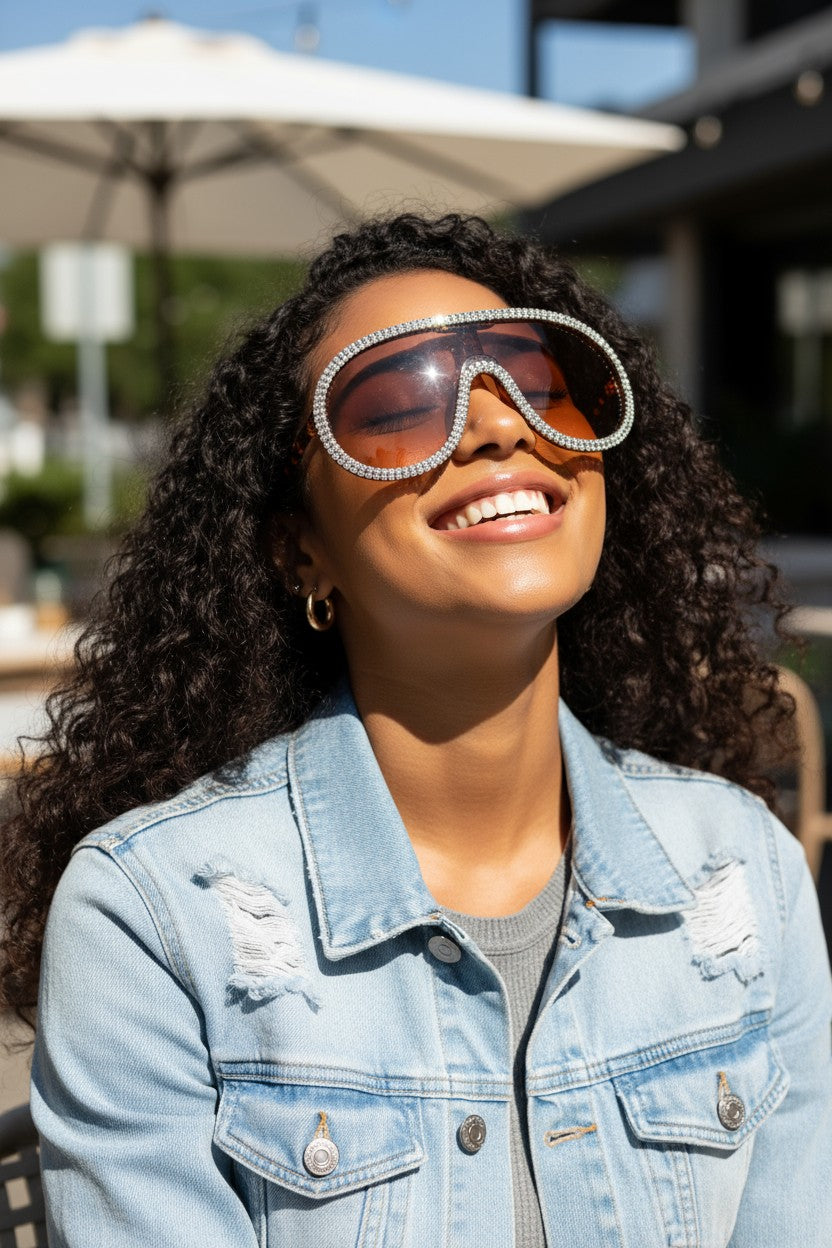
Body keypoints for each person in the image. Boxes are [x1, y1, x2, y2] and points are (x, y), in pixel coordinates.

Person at [1, 213, 829, 1247]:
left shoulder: (741, 872)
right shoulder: (154, 918)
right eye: (395, 403)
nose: (499, 426)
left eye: (542, 374)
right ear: (299, 550)